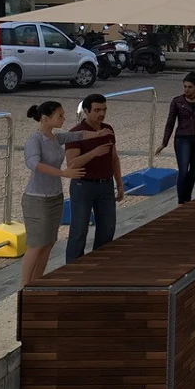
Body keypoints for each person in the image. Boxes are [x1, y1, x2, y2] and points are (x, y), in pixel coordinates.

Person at [21, 101, 112, 287]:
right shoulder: (34, 140)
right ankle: (24, 287)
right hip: (37, 199)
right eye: (60, 116)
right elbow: (34, 164)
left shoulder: (55, 138)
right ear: (46, 119)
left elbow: (77, 135)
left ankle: (37, 283)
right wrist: (63, 173)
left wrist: (98, 134)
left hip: (54, 197)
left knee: (48, 243)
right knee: (36, 244)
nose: (64, 118)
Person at [64, 94, 123, 264]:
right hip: (83, 185)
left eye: (104, 110)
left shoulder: (108, 129)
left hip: (105, 185)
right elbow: (71, 164)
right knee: (79, 231)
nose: (101, 114)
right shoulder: (75, 133)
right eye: (97, 110)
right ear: (86, 111)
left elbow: (114, 158)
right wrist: (93, 153)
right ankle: (73, 269)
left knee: (107, 229)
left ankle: (99, 265)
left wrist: (119, 183)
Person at [157, 72, 195, 205]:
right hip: (182, 139)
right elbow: (170, 122)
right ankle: (182, 201)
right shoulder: (177, 101)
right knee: (183, 170)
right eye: (185, 86)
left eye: (190, 87)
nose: (187, 90)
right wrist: (164, 142)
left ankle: (188, 197)